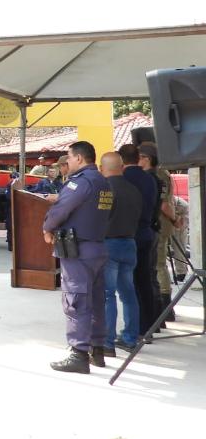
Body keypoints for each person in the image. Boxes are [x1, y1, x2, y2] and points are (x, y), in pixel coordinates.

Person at [42, 141, 112, 373]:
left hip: (78, 250)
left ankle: (78, 354)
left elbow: (61, 209)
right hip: (97, 247)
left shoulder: (81, 182)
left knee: (76, 300)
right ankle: (97, 350)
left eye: (69, 158)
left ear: (80, 158)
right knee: (96, 301)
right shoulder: (103, 181)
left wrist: (47, 227)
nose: (68, 162)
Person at [100, 151, 141, 356]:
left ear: (102, 168)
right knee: (128, 293)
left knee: (108, 295)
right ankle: (130, 338)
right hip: (130, 243)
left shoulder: (105, 189)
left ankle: (107, 342)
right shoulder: (134, 189)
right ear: (122, 167)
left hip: (110, 244)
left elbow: (101, 216)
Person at [118, 143, 159, 337]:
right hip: (147, 232)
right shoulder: (150, 179)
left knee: (129, 285)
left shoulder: (123, 179)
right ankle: (149, 327)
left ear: (121, 160)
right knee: (145, 281)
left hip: (129, 234)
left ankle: (134, 329)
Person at [140, 142, 177, 322]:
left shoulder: (158, 174)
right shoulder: (163, 172)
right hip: (160, 224)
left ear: (147, 158)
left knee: (158, 265)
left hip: (159, 224)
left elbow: (163, 204)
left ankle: (165, 309)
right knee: (157, 265)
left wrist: (175, 219)